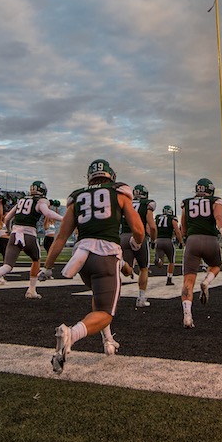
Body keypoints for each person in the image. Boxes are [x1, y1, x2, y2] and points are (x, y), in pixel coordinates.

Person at [42, 159, 144, 372]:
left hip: (82, 259)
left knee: (98, 301)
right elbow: (139, 230)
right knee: (106, 312)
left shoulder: (77, 198)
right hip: (105, 255)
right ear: (110, 176)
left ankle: (108, 341)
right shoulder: (119, 194)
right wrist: (136, 243)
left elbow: (61, 237)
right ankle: (71, 335)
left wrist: (48, 267)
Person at [0, 180, 62, 302]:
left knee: (7, 265)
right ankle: (31, 290)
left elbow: (8, 217)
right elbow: (47, 212)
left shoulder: (21, 200)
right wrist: (64, 219)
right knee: (36, 260)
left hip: (15, 234)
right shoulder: (40, 201)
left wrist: (9, 230)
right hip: (29, 234)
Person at [179, 178, 222, 329]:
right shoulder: (216, 201)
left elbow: (183, 225)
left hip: (192, 241)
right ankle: (206, 282)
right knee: (216, 265)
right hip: (210, 240)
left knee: (188, 280)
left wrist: (185, 239)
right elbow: (219, 217)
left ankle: (187, 315)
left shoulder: (187, 202)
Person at [120, 184, 157, 308]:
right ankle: (141, 298)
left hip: (124, 236)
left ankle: (121, 264)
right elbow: (152, 226)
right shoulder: (147, 204)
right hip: (139, 236)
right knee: (143, 268)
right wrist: (152, 240)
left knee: (127, 270)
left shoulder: (126, 201)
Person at [153, 204, 182, 286]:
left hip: (158, 240)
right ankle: (169, 279)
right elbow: (177, 230)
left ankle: (158, 261)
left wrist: (153, 240)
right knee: (171, 261)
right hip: (168, 241)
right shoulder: (172, 218)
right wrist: (180, 242)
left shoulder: (158, 218)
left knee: (161, 261)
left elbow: (153, 228)